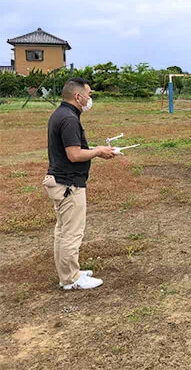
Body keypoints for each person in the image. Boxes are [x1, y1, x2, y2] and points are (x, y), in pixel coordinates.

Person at [43, 77, 117, 290]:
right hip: (68, 185)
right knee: (72, 233)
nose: (90, 98)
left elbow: (73, 149)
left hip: (60, 181)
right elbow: (74, 155)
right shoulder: (69, 119)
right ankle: (71, 279)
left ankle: (68, 272)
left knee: (63, 231)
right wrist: (99, 152)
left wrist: (95, 149)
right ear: (78, 96)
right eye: (89, 94)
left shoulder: (61, 114)